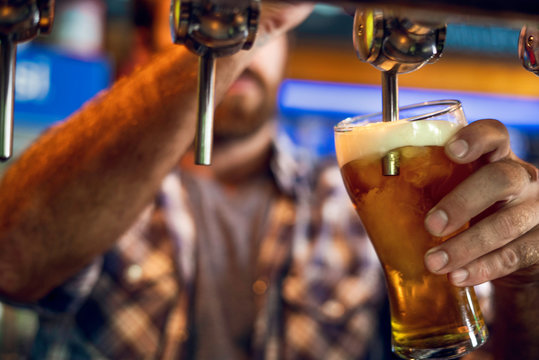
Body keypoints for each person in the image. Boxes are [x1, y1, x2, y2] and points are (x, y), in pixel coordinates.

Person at [0, 1, 537, 359]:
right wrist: (252, 23)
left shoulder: (358, 198)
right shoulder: (92, 192)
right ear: (144, 49)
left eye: (256, 29)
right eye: (217, 21)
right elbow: (12, 259)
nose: (245, 43)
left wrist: (523, 285)